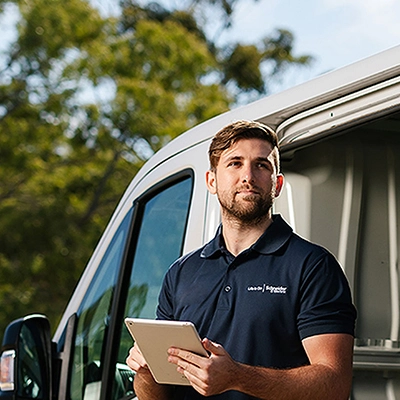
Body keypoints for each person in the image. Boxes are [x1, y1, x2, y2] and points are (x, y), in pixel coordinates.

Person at [126, 120, 357, 399]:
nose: (248, 175)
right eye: (234, 163)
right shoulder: (181, 273)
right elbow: (155, 395)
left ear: (277, 184)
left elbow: (335, 385)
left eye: (261, 165)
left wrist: (237, 377)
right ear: (212, 181)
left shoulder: (313, 266)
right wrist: (146, 371)